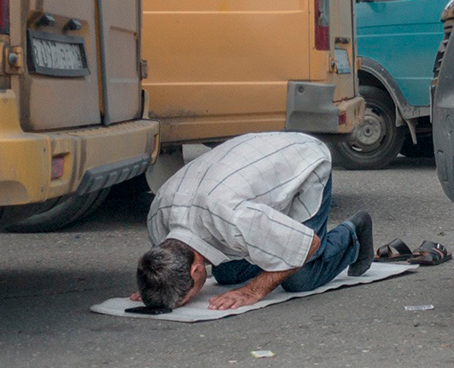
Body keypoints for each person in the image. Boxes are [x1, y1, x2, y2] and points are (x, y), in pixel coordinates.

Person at [133, 132, 373, 311]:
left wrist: (253, 291)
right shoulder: (158, 219)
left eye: (187, 298)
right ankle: (272, 239)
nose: (189, 300)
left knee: (301, 278)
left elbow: (307, 244)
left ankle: (353, 234)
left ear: (196, 270)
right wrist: (156, 288)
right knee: (228, 274)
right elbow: (163, 269)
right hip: (253, 163)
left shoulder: (233, 218)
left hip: (305, 161)